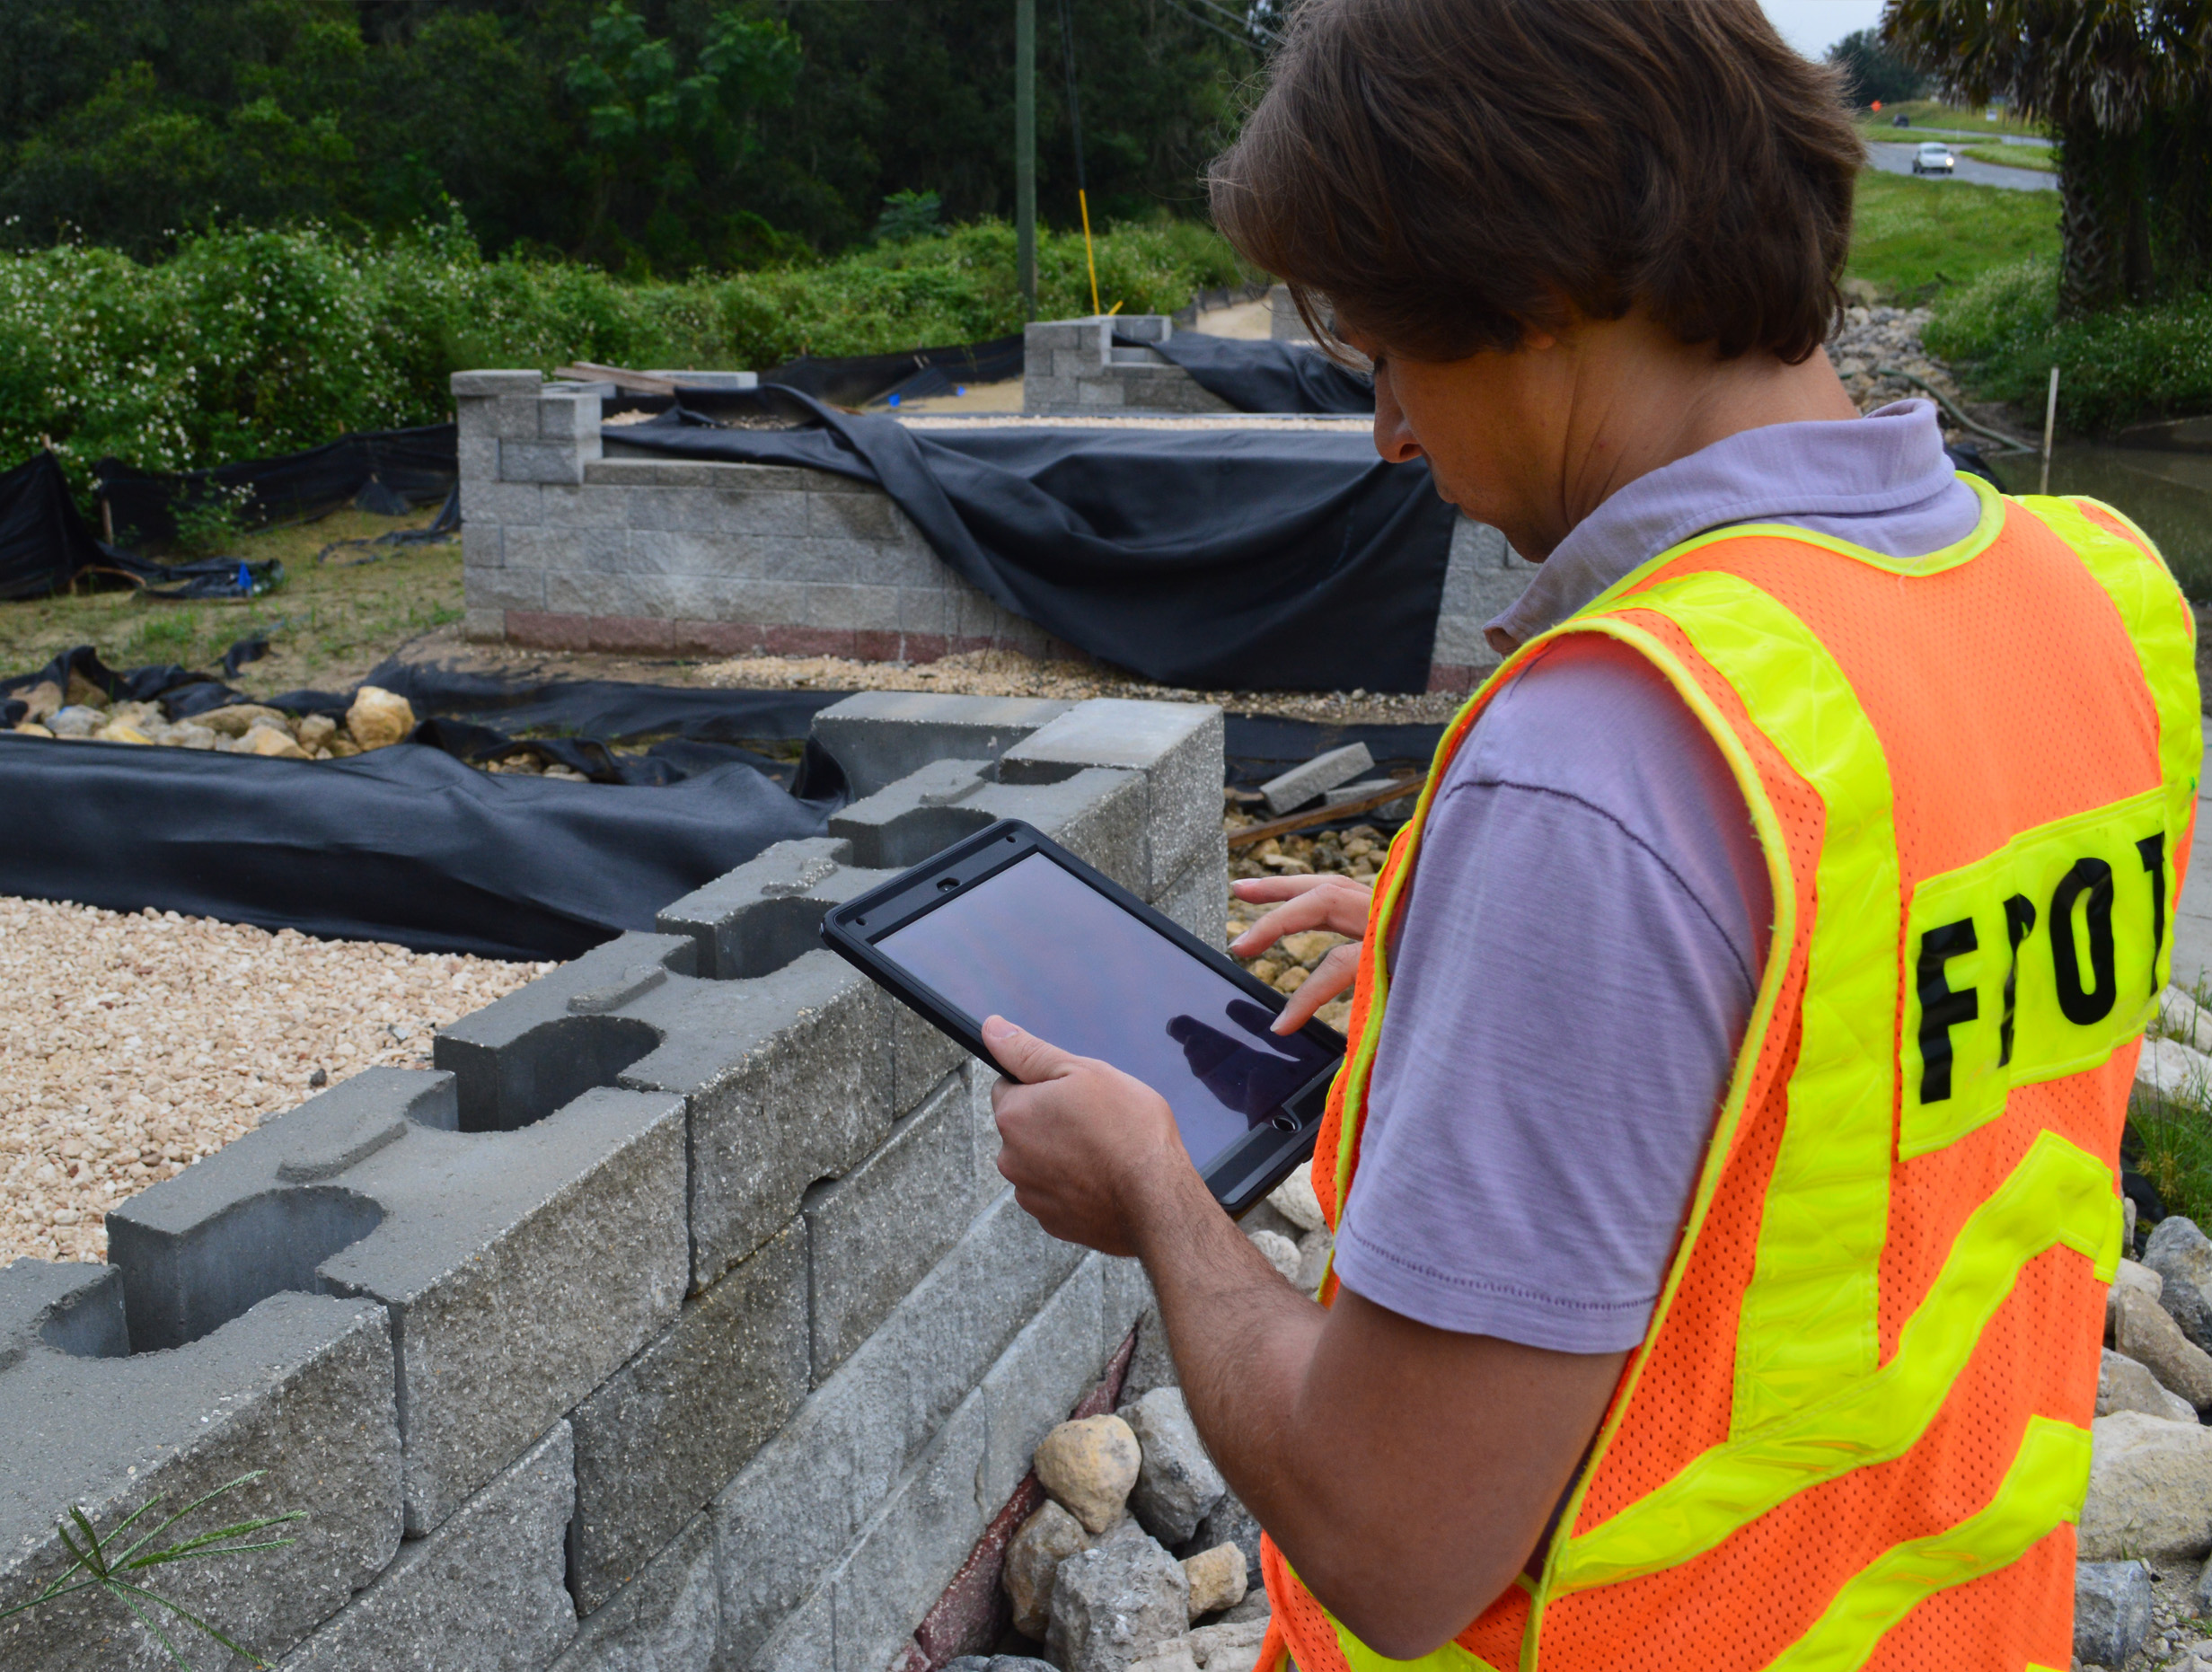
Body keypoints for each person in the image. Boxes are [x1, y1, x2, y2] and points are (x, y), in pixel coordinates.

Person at [983, 2, 2200, 1668]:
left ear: (1544, 295)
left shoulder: (1609, 766)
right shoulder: (2089, 605)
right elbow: (1842, 1062)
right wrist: (1484, 963)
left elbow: (1394, 1539)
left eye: (1392, 354)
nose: (1391, 434)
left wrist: (1151, 1190)